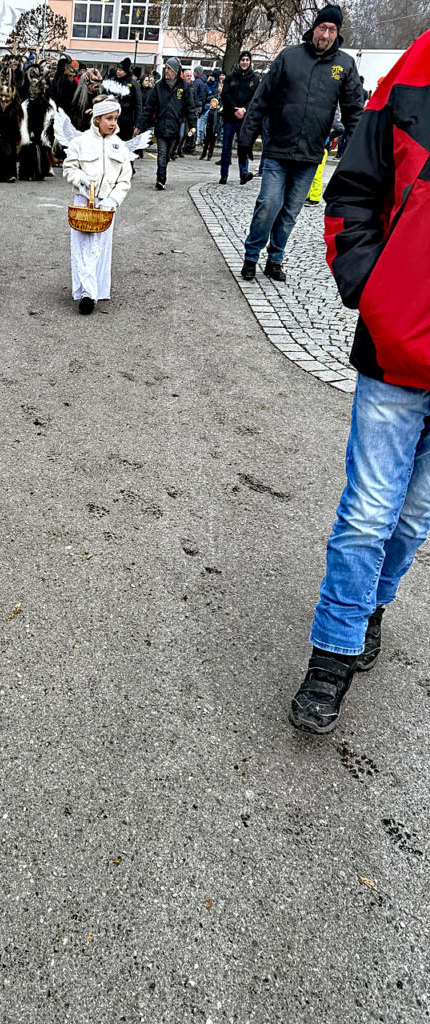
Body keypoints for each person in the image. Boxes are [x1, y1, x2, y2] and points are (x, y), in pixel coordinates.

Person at [289, 29, 430, 735]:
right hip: (398, 347)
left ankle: (373, 603)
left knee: (412, 519)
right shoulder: (412, 73)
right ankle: (333, 653)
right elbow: (354, 188)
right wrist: (368, 284)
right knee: (370, 513)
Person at [237, 4, 363, 283]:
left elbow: (354, 110)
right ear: (314, 28)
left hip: (309, 154)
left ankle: (275, 259)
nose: (326, 34)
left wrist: (355, 150)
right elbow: (261, 99)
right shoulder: (289, 57)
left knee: (290, 212)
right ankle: (251, 256)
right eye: (322, 28)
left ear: (337, 34)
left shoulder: (344, 65)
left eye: (332, 30)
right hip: (278, 149)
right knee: (268, 203)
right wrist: (246, 137)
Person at [62, 95, 132, 315]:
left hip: (106, 204)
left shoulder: (119, 146)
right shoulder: (80, 142)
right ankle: (87, 294)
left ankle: (95, 290)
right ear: (97, 119)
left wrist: (112, 200)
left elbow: (125, 179)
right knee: (82, 248)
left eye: (115, 118)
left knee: (99, 249)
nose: (113, 123)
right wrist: (81, 179)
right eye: (108, 118)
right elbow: (69, 169)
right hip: (84, 201)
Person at [137, 56, 196, 191]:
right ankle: (161, 180)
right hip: (161, 126)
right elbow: (148, 107)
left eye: (169, 68)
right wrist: (140, 125)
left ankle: (161, 173)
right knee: (162, 154)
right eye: (166, 68)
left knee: (168, 155)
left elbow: (190, 108)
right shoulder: (159, 86)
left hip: (175, 127)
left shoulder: (183, 87)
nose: (166, 70)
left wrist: (193, 125)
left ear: (175, 71)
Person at [218, 50, 259, 185]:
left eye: (247, 60)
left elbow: (255, 98)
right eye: (243, 60)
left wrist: (244, 109)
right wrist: (234, 108)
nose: (245, 62)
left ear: (250, 62)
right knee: (226, 146)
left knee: (244, 146)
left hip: (244, 119)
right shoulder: (231, 77)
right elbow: (225, 95)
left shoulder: (254, 79)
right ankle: (224, 174)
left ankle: (244, 172)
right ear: (239, 61)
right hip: (230, 116)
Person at [101, 58, 142, 141]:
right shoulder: (112, 82)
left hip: (127, 121)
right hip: (111, 118)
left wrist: (137, 125)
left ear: (126, 71)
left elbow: (138, 105)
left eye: (120, 70)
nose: (118, 72)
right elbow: (103, 97)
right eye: (117, 69)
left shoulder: (134, 85)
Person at [199, 96, 221, 161]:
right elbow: (204, 120)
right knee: (206, 143)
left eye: (214, 102)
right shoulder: (208, 111)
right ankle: (203, 154)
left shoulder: (218, 112)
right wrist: (202, 128)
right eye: (212, 102)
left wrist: (218, 130)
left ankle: (210, 155)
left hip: (215, 130)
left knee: (212, 144)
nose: (213, 104)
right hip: (208, 128)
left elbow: (219, 122)